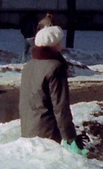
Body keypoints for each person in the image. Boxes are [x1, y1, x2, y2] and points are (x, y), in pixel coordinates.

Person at [19, 26, 86, 156]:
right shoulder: (55, 67)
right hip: (47, 132)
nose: (61, 45)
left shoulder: (28, 66)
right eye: (59, 42)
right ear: (53, 44)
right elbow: (60, 106)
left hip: (27, 130)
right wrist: (71, 138)